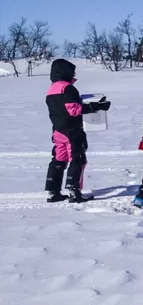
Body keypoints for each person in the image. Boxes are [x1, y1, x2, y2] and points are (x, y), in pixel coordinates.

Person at [44, 58, 111, 203]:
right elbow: (73, 110)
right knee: (77, 159)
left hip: (58, 131)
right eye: (72, 72)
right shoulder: (67, 88)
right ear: (65, 72)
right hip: (72, 130)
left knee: (59, 159)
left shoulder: (51, 89)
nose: (74, 74)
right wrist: (96, 107)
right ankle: (74, 192)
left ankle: (53, 191)